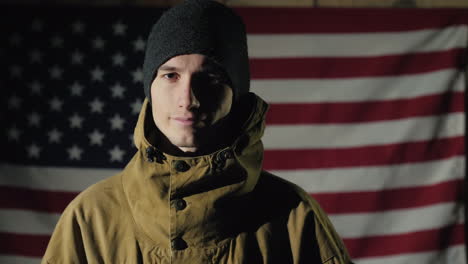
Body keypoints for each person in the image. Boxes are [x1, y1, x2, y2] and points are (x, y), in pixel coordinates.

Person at [42, 0, 352, 263]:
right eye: (171, 75)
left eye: (211, 78)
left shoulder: (295, 218)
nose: (188, 99)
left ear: (236, 93)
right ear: (149, 88)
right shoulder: (89, 220)